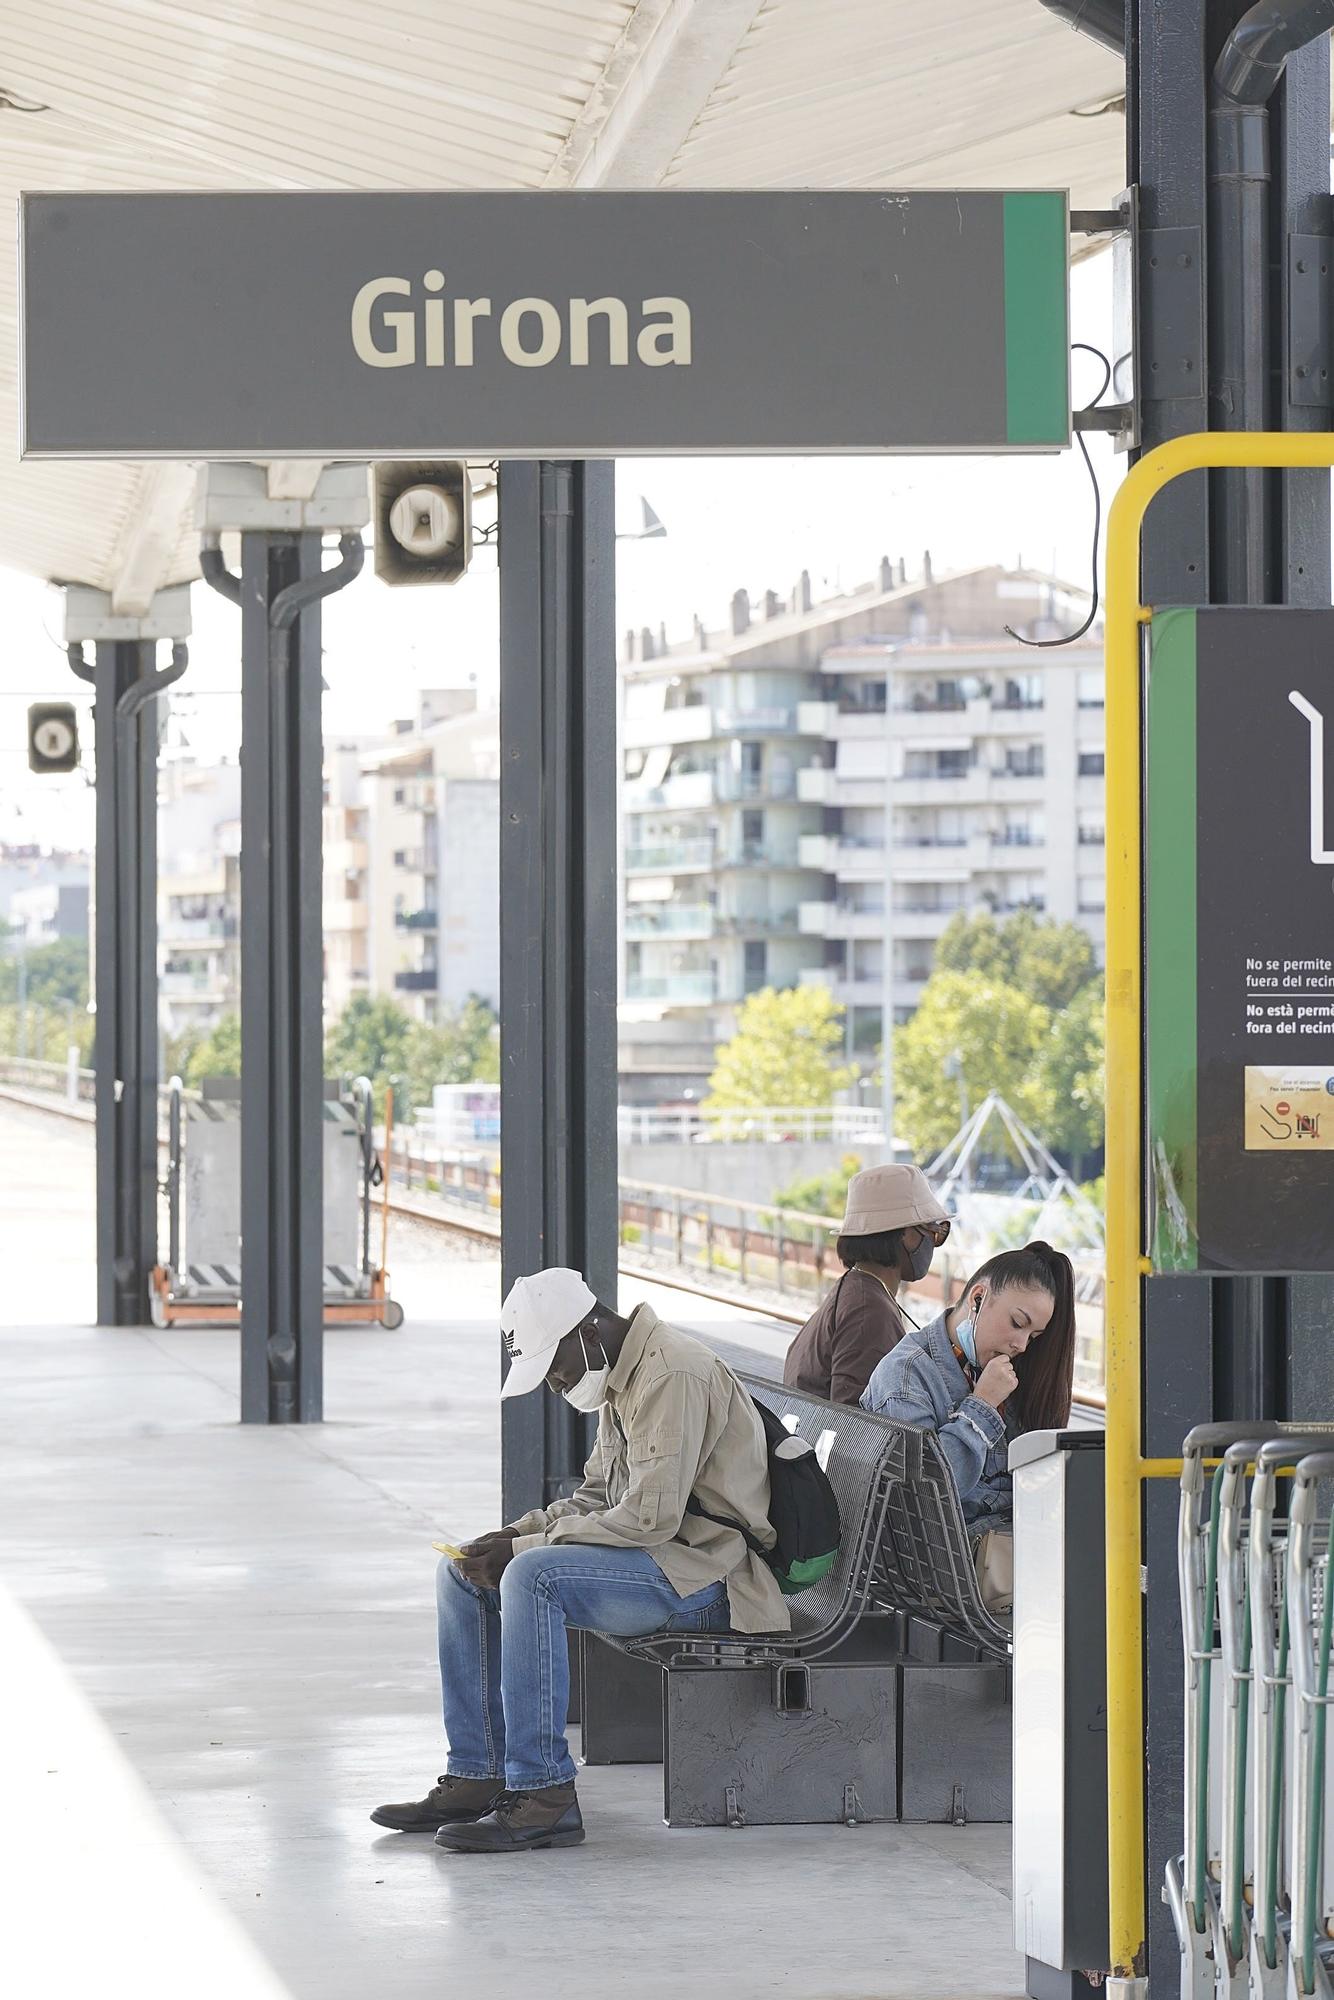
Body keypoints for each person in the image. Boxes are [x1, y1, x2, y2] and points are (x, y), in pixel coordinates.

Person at [372, 1266, 787, 1853]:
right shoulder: (623, 1374)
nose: (554, 1386)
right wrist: (517, 1531)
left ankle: (546, 1795)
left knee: (531, 1576)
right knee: (461, 1573)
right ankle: (477, 1772)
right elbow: (597, 1495)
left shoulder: (671, 1373)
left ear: (588, 1330)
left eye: (553, 1368)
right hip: (659, 1563)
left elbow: (650, 1517)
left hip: (708, 1578)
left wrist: (524, 1550)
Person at [860, 1240, 1075, 1532]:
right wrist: (982, 1406)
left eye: (1033, 1336)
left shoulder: (995, 1369)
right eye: (1017, 1323)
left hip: (1012, 1543)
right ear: (978, 1298)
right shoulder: (906, 1374)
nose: (1021, 1345)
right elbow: (921, 1494)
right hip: (959, 1560)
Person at [783, 1162, 951, 1406]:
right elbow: (857, 1422)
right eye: (932, 1231)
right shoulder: (869, 1310)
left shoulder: (858, 1289)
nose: (932, 1243)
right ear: (904, 1234)